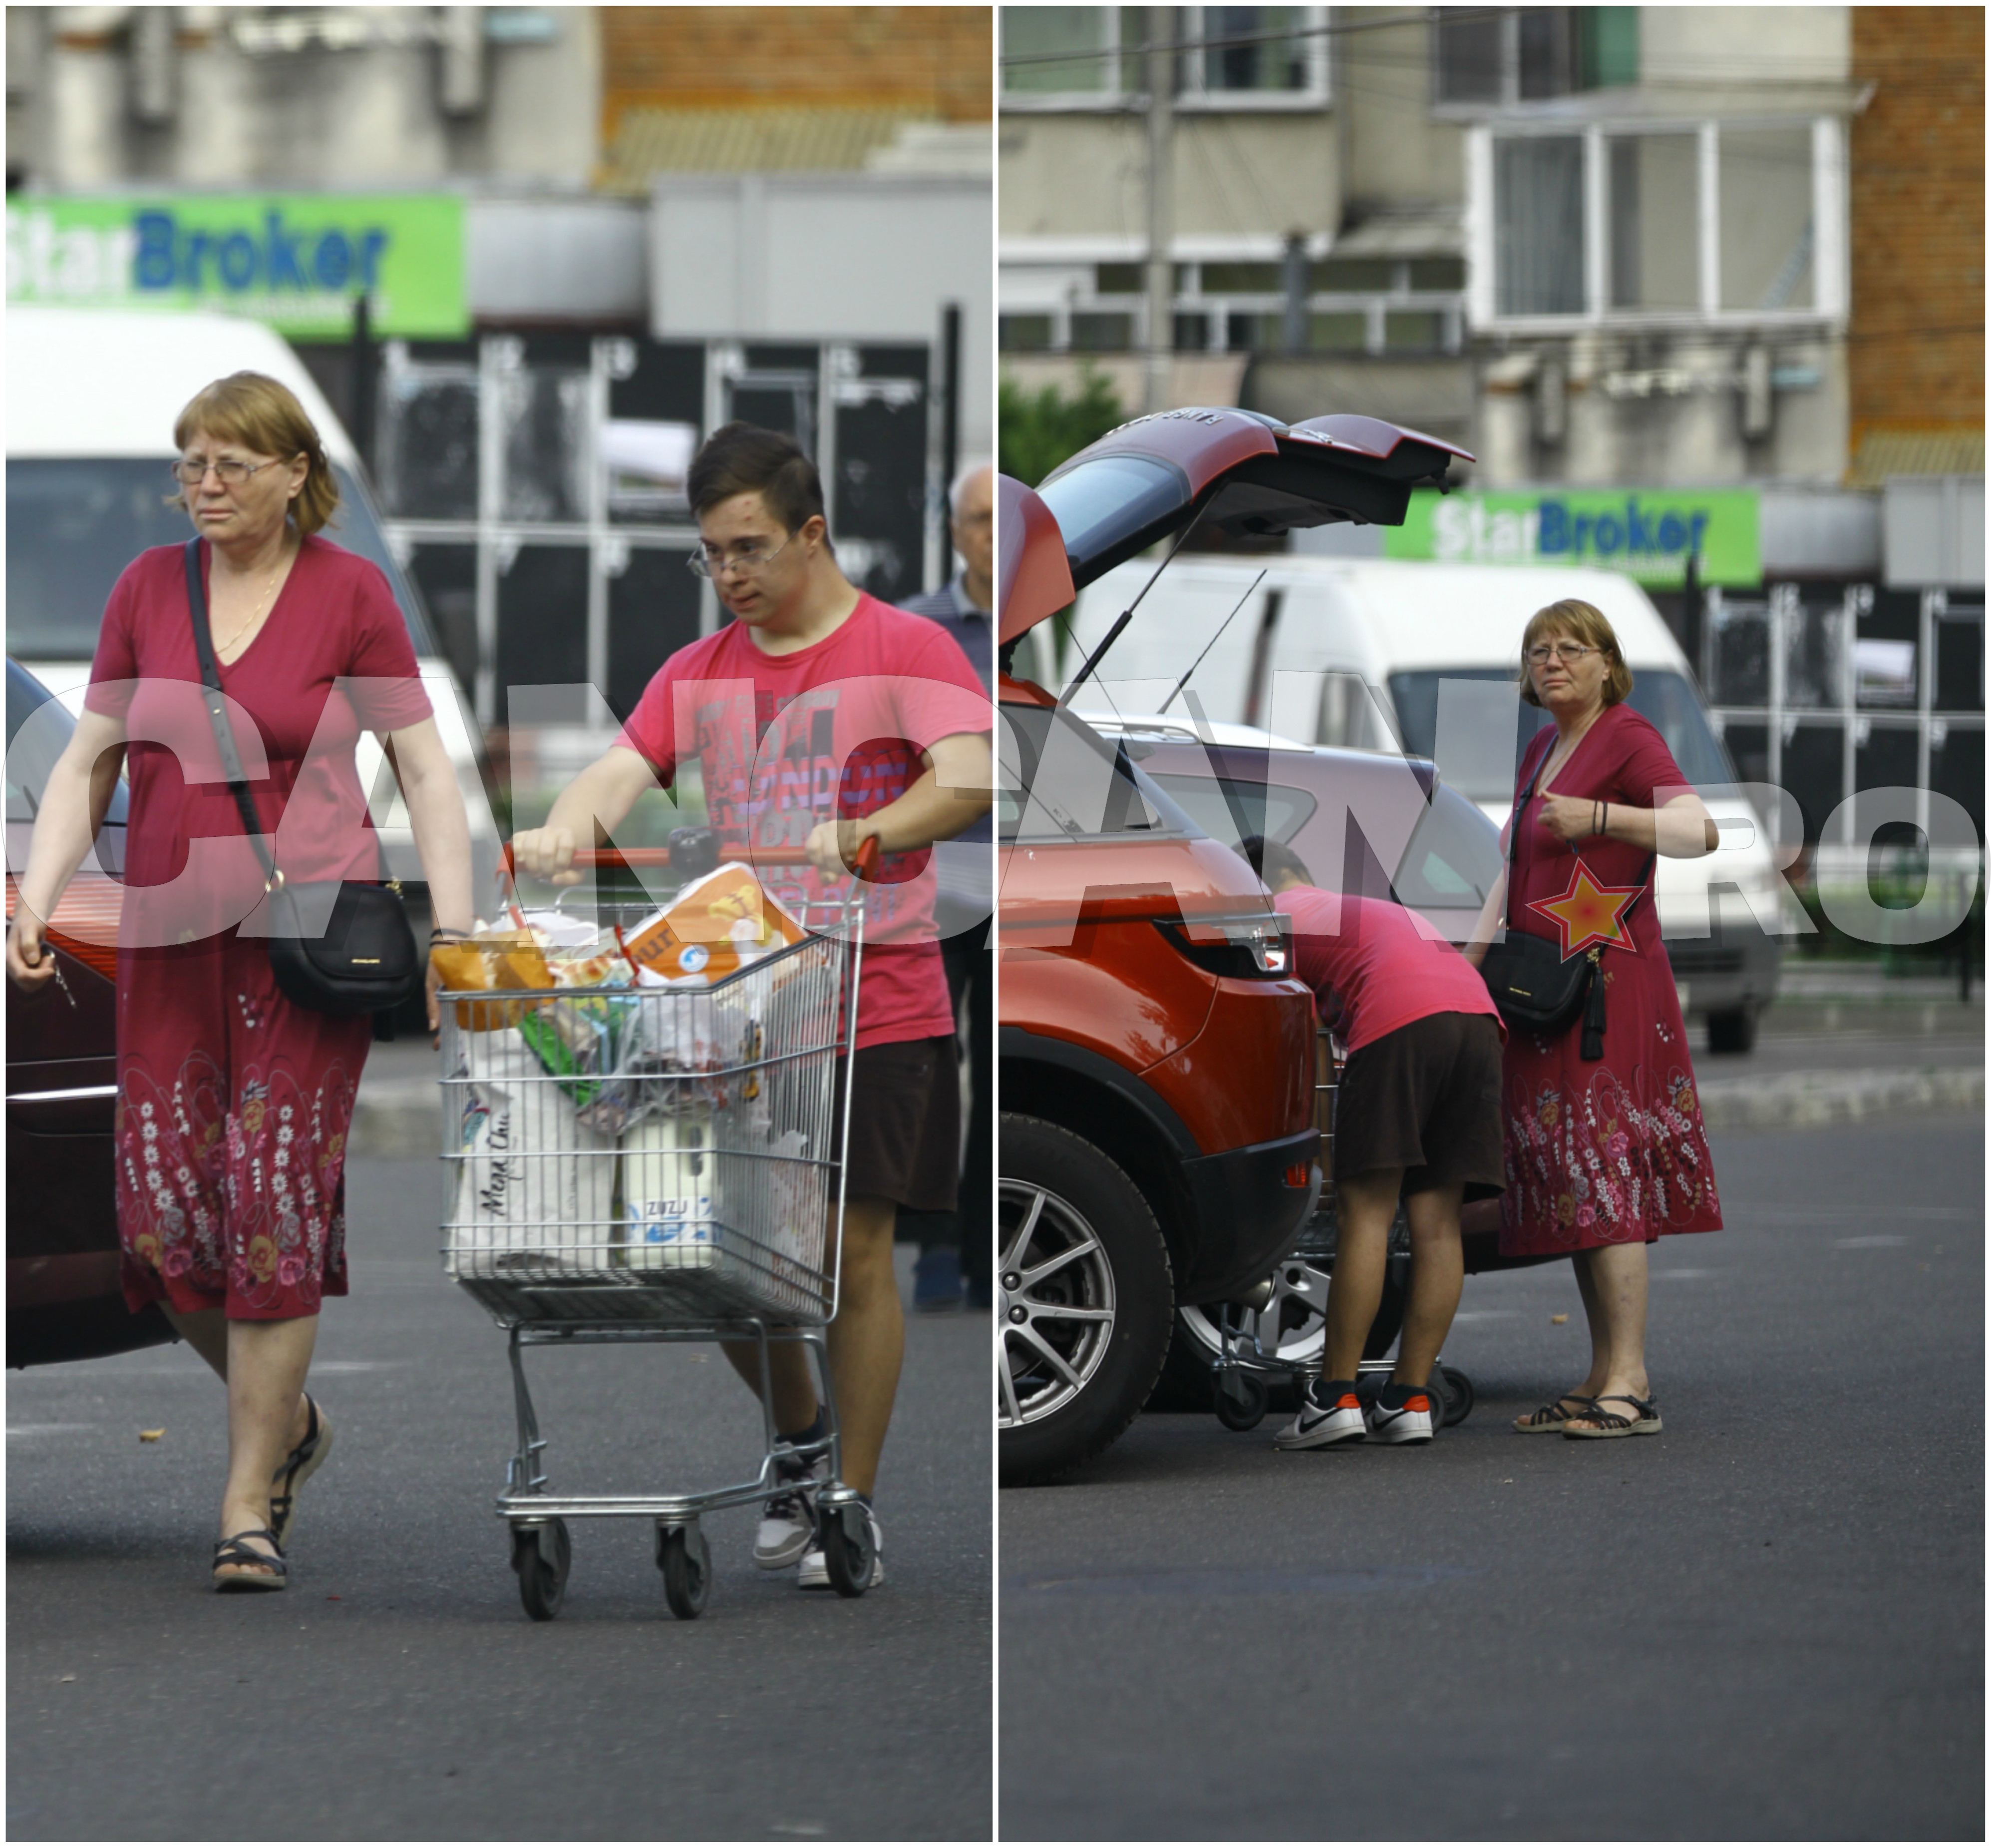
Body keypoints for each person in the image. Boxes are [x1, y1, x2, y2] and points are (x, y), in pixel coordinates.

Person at [4, 372, 475, 1590]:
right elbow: (86, 764)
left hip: (304, 946)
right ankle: (296, 1423)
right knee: (162, 1226)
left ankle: (243, 1497)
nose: (203, 484)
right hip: (166, 940)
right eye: (190, 464)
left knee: (271, 1203)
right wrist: (42, 895)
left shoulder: (350, 593)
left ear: (291, 473)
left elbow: (424, 771)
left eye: (228, 464)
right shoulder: (144, 591)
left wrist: (461, 933)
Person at [511, 422, 991, 1587]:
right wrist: (567, 825)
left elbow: (971, 775)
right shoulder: (701, 669)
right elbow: (619, 769)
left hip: (876, 996)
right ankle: (798, 1430)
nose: (729, 575)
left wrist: (871, 830)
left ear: (810, 533)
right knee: (707, 1249)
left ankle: (847, 1502)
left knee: (850, 1254)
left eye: (750, 548)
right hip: (728, 1008)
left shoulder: (906, 645)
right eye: (710, 554)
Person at [1463, 598, 1723, 1439]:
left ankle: (1631, 1385)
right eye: (1536, 649)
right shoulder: (1543, 746)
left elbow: (1698, 830)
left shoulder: (1626, 735)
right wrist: (1473, 958)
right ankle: (1599, 1372)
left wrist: (1603, 818)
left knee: (1605, 1172)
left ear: (1607, 664)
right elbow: (1517, 862)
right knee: (1576, 1178)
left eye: (1570, 648)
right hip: (1542, 992)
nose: (1550, 662)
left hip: (1608, 994)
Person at [1246, 837, 1508, 1449]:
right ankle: (1408, 1398)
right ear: (1303, 874)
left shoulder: (1272, 917)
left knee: (1366, 1215)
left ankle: (1333, 1398)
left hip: (1399, 1021)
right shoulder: (1357, 908)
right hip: (1476, 1019)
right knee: (1438, 1222)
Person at [898, 462, 994, 1313]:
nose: (992, 535)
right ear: (955, 531)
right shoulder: (917, 628)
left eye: (1005, 520)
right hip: (934, 871)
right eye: (977, 519)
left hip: (1026, 880)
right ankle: (930, 1248)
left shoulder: (1044, 630)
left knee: (1004, 1072)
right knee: (934, 1068)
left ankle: (982, 1246)